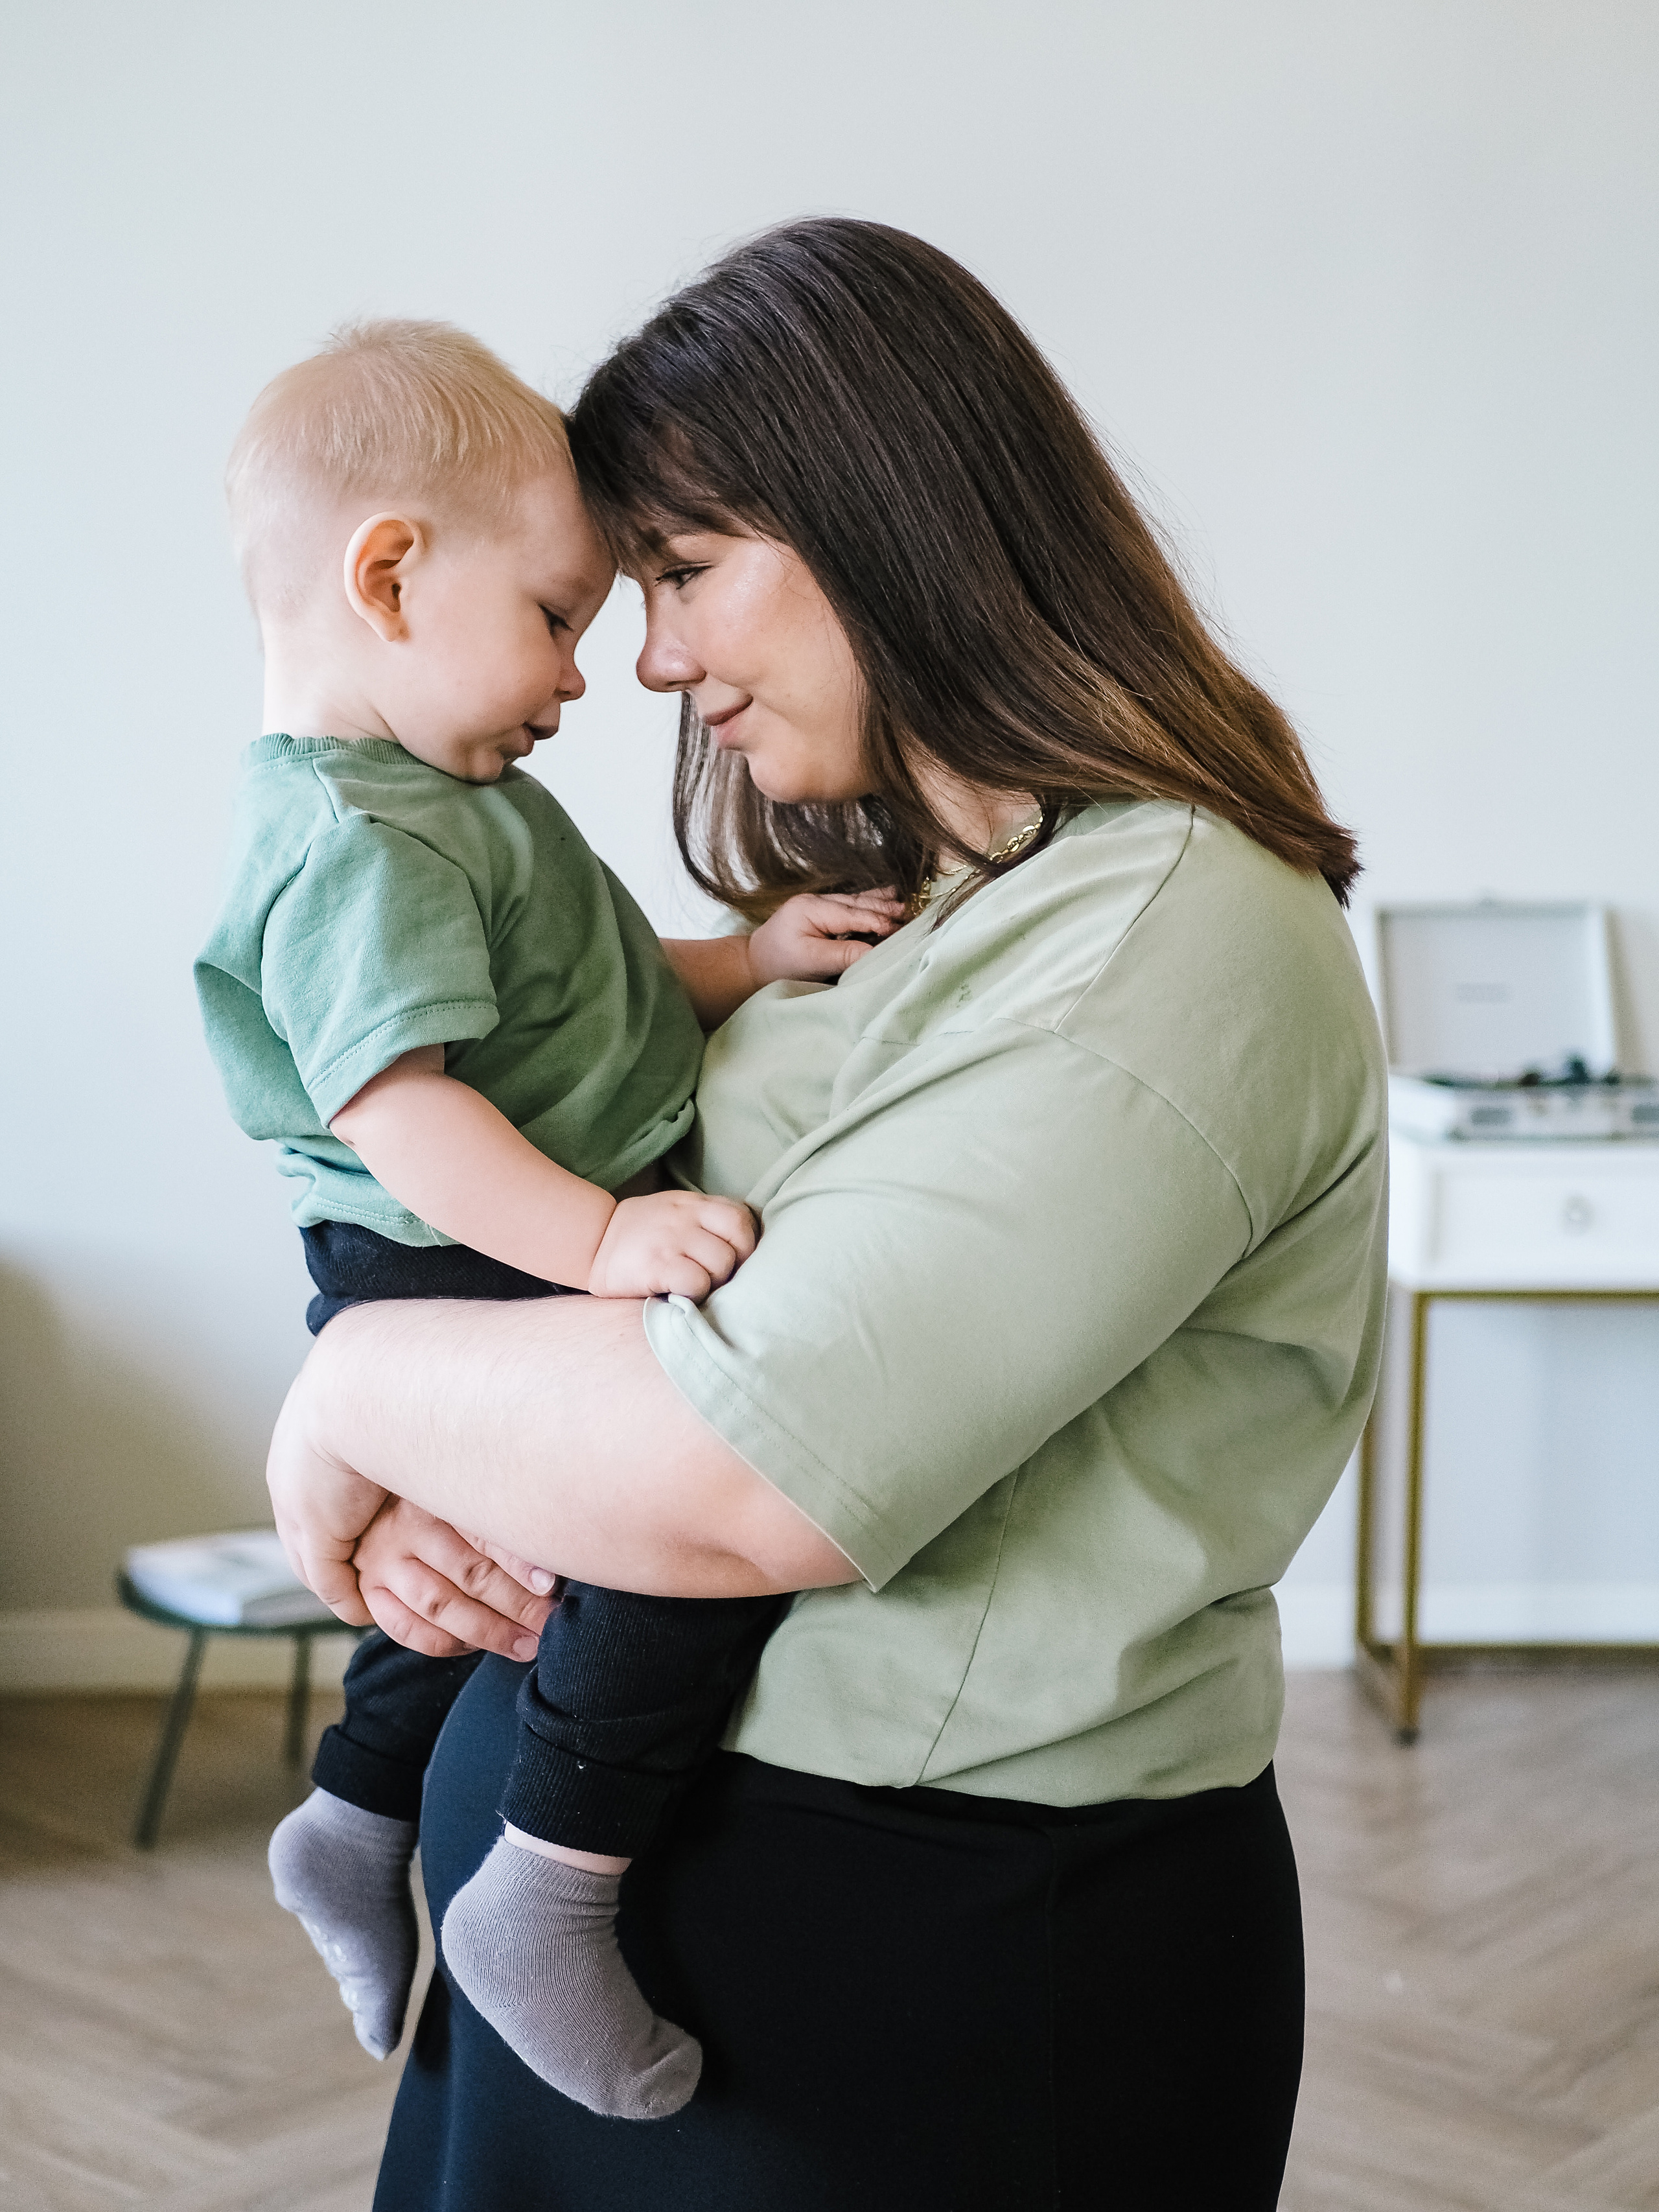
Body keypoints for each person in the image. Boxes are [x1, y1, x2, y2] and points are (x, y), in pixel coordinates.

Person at [267, 218, 1389, 2211]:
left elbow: (738, 1472)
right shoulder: (935, 905)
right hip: (638, 1896)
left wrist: (357, 1385)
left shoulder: (1172, 932)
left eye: (685, 575)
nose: (653, 662)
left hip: (910, 1957)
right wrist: (471, 1481)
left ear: (889, 513)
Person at [195, 318, 899, 2119]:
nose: (591, 673)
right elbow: (405, 1107)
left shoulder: (448, 805)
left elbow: (574, 997)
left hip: (506, 1222)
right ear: (388, 576)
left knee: (475, 1587)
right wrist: (596, 1245)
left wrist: (741, 962)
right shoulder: (364, 840)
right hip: (456, 1241)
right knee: (645, 1547)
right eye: (559, 614)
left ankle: (355, 1822)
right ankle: (547, 1893)